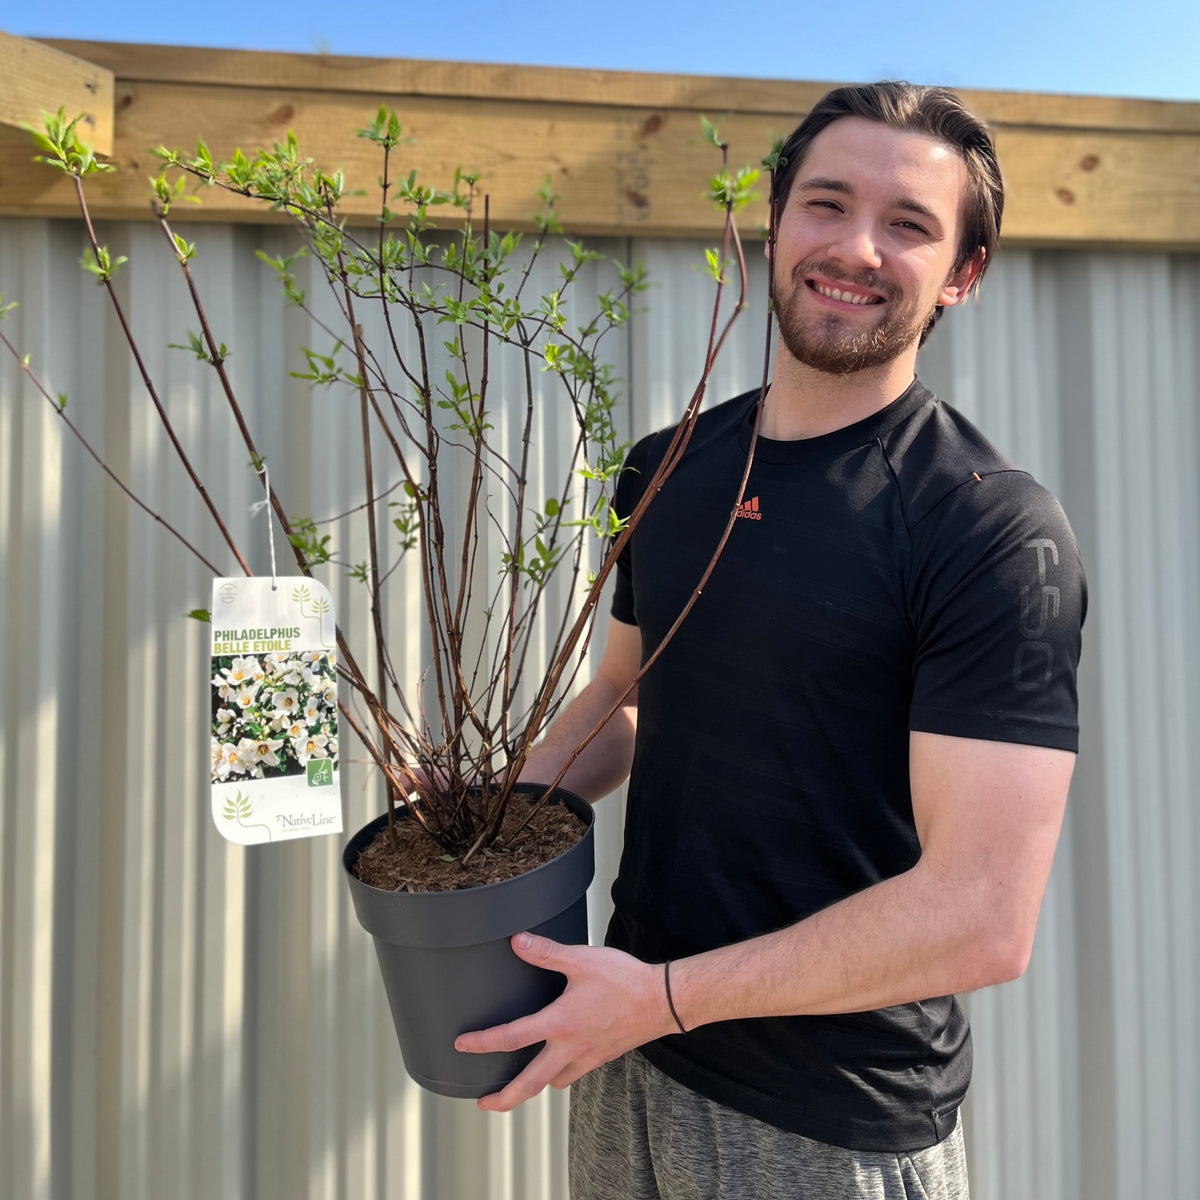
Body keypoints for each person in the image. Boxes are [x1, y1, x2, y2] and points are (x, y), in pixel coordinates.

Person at [455, 81, 1086, 1200]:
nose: (855, 248)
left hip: (826, 1116)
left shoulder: (987, 527)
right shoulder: (669, 466)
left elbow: (984, 917)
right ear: (773, 220)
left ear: (964, 274)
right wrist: (485, 814)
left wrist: (663, 996)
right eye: (827, 204)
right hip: (628, 1048)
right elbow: (626, 696)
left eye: (909, 224)